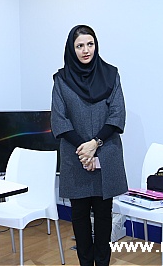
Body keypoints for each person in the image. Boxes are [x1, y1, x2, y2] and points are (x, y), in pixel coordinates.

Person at [51, 25, 127, 266]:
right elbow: (59, 119)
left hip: (105, 151)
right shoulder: (61, 80)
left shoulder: (111, 74)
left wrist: (95, 144)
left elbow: (117, 114)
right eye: (80, 46)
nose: (86, 50)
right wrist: (84, 150)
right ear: (71, 49)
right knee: (80, 216)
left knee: (104, 215)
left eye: (90, 44)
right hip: (76, 156)